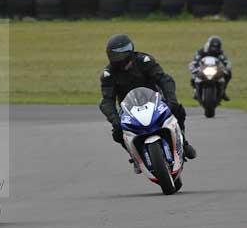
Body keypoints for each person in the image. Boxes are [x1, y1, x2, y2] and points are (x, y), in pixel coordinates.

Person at [99, 34, 197, 172]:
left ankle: (183, 143)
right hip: (128, 109)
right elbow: (106, 101)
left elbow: (164, 79)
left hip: (154, 101)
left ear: (130, 52)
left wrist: (171, 100)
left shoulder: (144, 61)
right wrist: (115, 120)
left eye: (121, 56)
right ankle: (135, 156)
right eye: (115, 57)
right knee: (117, 133)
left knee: (178, 110)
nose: (119, 60)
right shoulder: (108, 75)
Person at [189, 35, 232, 101]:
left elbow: (226, 61)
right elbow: (195, 61)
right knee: (193, 76)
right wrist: (193, 68)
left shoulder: (220, 52)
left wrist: (227, 68)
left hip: (215, 70)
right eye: (213, 46)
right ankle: (195, 91)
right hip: (203, 69)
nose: (214, 48)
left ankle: (223, 91)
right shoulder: (202, 51)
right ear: (209, 45)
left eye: (217, 47)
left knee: (228, 74)